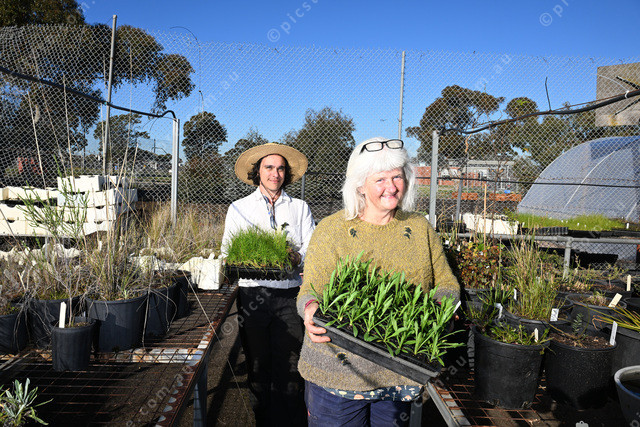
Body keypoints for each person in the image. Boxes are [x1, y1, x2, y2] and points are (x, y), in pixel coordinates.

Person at [296, 137, 460, 426]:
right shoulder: (332, 229)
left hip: (400, 371)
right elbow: (311, 289)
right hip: (338, 371)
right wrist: (309, 309)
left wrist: (435, 312)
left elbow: (447, 283)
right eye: (380, 179)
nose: (392, 187)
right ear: (360, 185)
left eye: (397, 176)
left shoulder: (419, 227)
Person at [221, 142, 315, 427]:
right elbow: (227, 252)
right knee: (258, 361)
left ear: (286, 174)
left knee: (291, 363)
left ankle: (292, 420)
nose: (275, 174)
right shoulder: (239, 208)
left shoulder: (299, 208)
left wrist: (296, 256)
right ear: (257, 172)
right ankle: (263, 419)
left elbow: (311, 248)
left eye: (281, 168)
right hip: (252, 294)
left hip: (289, 294)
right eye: (269, 167)